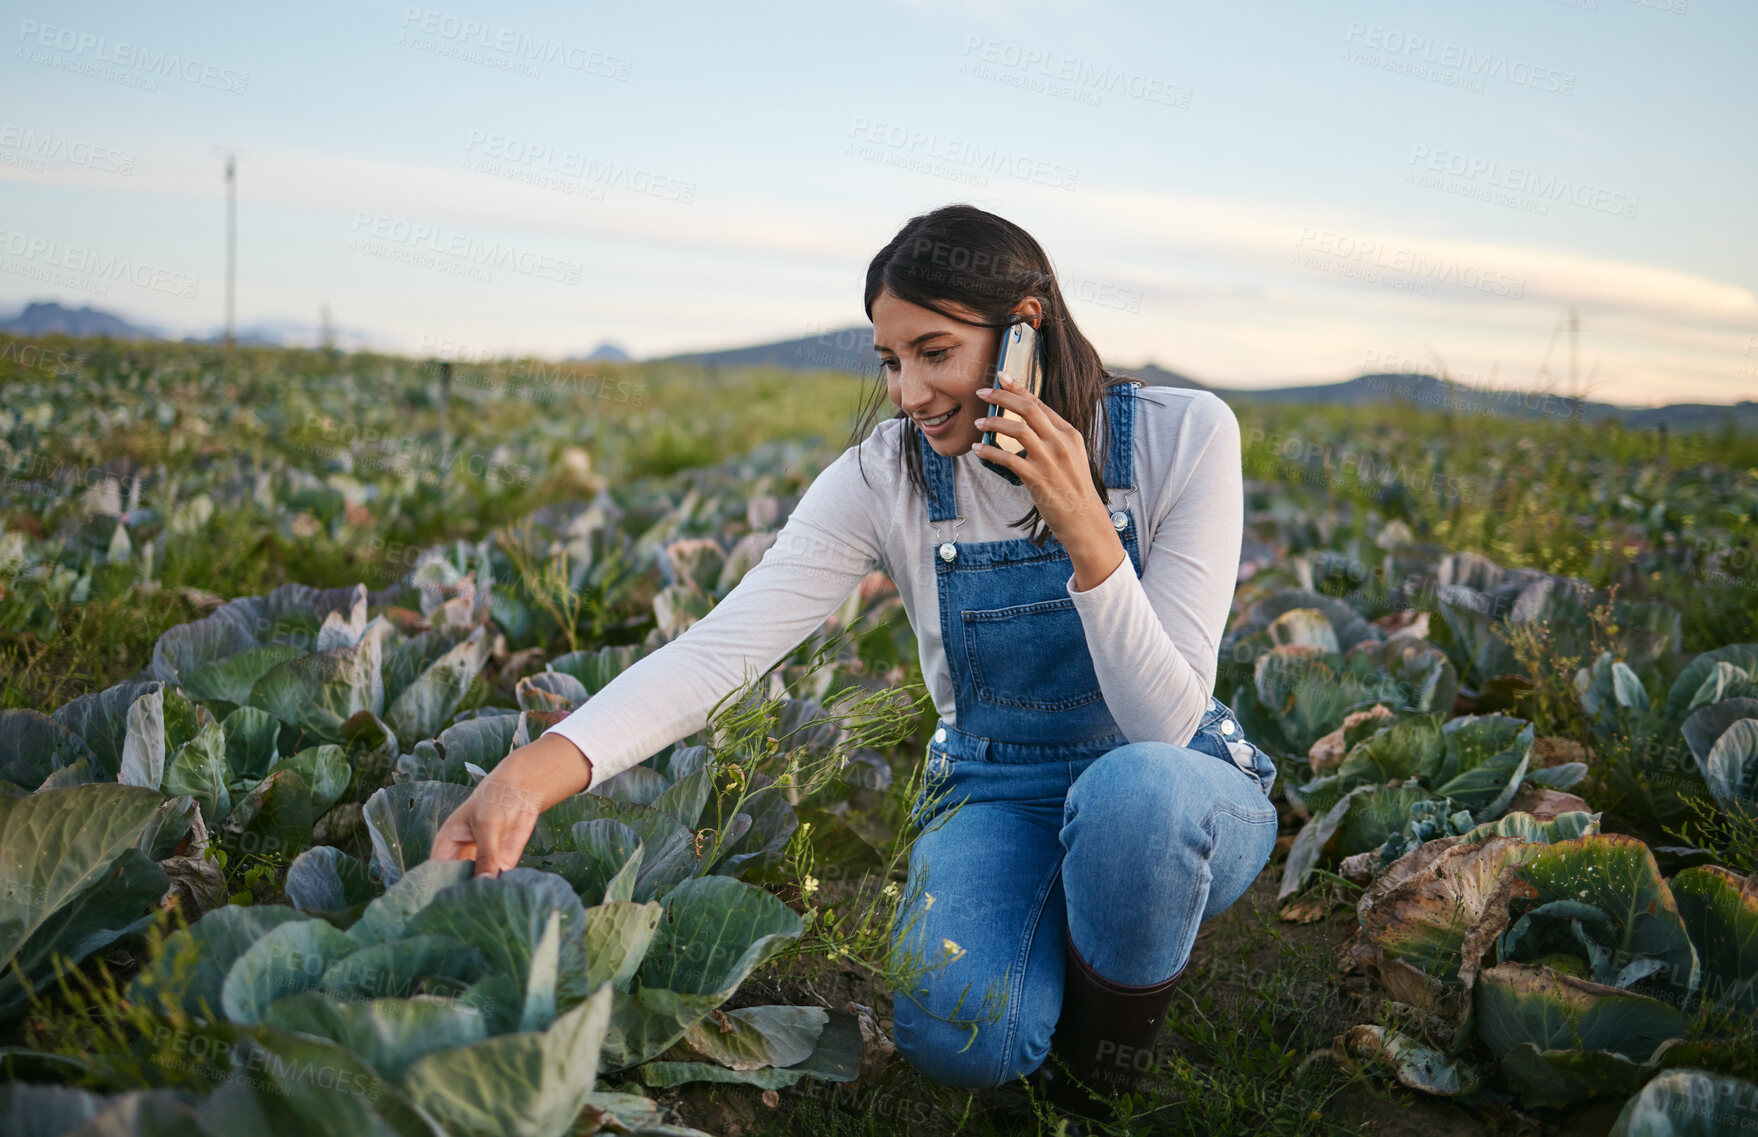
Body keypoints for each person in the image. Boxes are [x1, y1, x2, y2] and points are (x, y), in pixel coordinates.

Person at [430, 202, 1279, 1120]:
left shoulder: (1183, 436)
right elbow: (726, 644)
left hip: (1175, 787)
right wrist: (530, 774)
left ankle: (1101, 1067)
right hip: (1000, 789)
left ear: (1023, 330)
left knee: (1134, 798)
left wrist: (1085, 529)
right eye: (891, 359)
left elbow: (1166, 724)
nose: (910, 392)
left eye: (935, 351)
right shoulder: (887, 475)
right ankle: (1070, 954)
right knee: (960, 1033)